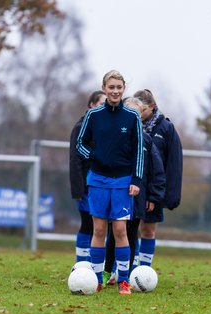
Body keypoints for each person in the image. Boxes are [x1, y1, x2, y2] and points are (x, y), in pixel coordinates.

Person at [76, 70, 144, 295]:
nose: (115, 91)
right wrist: (95, 157)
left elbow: (138, 152)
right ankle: (96, 280)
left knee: (120, 230)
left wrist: (136, 180)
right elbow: (80, 144)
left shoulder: (132, 116)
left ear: (123, 89)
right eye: (111, 87)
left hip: (123, 182)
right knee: (98, 229)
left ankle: (124, 280)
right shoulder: (93, 115)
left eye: (119, 87)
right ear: (104, 89)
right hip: (97, 179)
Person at [103, 97, 166, 285]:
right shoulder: (114, 138)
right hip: (116, 193)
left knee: (130, 233)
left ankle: (127, 274)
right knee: (112, 234)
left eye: (137, 115)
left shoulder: (146, 140)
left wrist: (153, 196)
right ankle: (107, 271)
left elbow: (157, 171)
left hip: (137, 198)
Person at [133, 89, 183, 267]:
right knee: (126, 229)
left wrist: (161, 196)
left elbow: (173, 165)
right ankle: (125, 267)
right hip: (133, 186)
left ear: (153, 107)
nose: (139, 113)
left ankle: (144, 269)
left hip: (153, 190)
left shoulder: (166, 128)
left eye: (143, 109)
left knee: (147, 229)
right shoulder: (131, 124)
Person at [69, 90, 106, 262]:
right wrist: (79, 189)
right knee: (88, 224)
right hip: (87, 186)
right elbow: (75, 160)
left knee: (101, 226)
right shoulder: (81, 127)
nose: (103, 107)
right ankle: (81, 263)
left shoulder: (104, 127)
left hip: (102, 184)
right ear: (91, 105)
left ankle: (98, 262)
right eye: (100, 103)